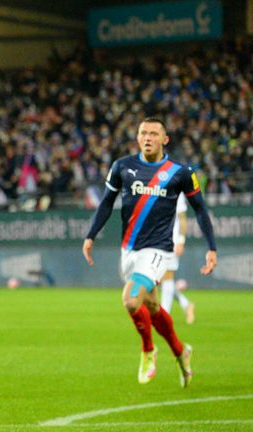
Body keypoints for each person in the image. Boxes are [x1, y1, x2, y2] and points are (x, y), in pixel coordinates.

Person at [82, 118, 217, 388]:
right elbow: (107, 203)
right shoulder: (122, 166)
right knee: (152, 307)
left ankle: (147, 350)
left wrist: (211, 247)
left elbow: (200, 209)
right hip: (129, 250)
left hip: (158, 251)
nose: (148, 137)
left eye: (154, 134)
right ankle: (181, 352)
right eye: (143, 133)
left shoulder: (180, 172)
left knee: (132, 300)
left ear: (164, 139)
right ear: (137, 137)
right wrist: (90, 235)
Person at [160, 192, 196, 324]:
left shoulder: (176, 189)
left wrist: (180, 240)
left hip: (171, 240)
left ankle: (164, 316)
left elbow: (182, 217)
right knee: (160, 279)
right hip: (156, 240)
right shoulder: (153, 185)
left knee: (167, 277)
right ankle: (186, 305)